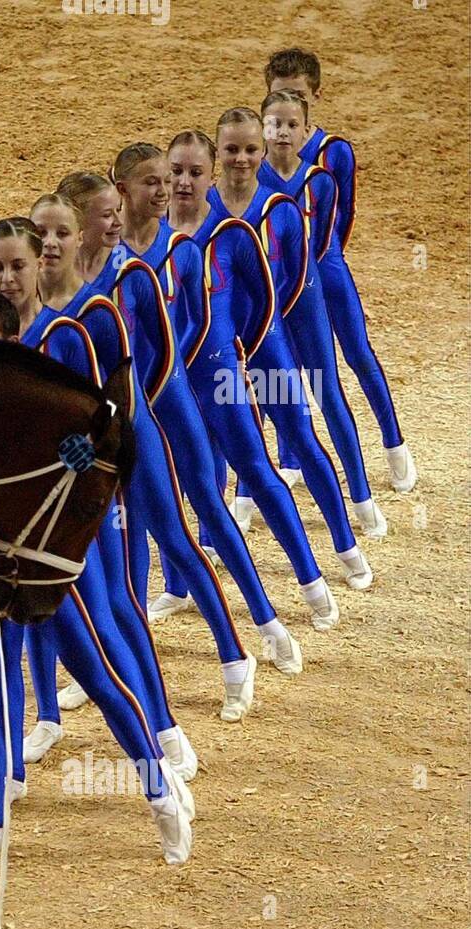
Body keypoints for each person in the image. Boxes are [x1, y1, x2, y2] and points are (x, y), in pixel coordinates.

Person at [0, 220, 195, 873]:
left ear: (38, 267)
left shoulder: (56, 342)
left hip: (46, 544)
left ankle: (158, 785)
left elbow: (108, 426)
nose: (6, 278)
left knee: (95, 667)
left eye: (17, 266)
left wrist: (84, 452)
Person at [111, 140, 303, 679]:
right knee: (133, 524)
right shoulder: (105, 256)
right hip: (130, 407)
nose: (166, 189)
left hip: (169, 393)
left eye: (167, 179)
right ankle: (131, 652)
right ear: (123, 189)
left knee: (208, 508)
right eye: (154, 181)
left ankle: (267, 622)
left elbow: (191, 324)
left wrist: (162, 381)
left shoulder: (181, 251)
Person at [165, 129, 342, 630]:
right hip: (173, 382)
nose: (183, 182)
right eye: (176, 171)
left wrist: (243, 355)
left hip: (222, 372)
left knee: (257, 469)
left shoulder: (230, 234)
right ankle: (177, 588)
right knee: (188, 480)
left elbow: (266, 302)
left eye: (194, 173)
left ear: (211, 174)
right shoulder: (155, 236)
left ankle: (312, 581)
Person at [204, 108, 372, 594]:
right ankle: (212, 543)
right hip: (216, 355)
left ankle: (345, 543)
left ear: (263, 151)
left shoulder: (281, 208)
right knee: (216, 444)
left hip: (266, 344)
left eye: (250, 149)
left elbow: (298, 280)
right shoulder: (200, 210)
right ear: (219, 152)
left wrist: (260, 339)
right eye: (231, 149)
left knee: (298, 434)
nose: (240, 158)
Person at [232, 90, 385, 538]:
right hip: (265, 303)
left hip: (305, 296)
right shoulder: (250, 180)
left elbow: (320, 243)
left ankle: (360, 495)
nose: (281, 132)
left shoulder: (319, 181)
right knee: (258, 396)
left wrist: (288, 291)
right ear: (262, 131)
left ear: (306, 131)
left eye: (290, 124)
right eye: (272, 124)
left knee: (328, 391)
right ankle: (245, 496)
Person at [263, 47, 417, 491]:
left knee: (358, 354)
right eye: (280, 94)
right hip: (284, 279)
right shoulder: (263, 151)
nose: (289, 101)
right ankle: (292, 455)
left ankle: (393, 443)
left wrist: (325, 261)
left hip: (326, 268)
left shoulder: (335, 152)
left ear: (315, 95)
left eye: (297, 93)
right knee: (290, 365)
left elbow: (342, 215)